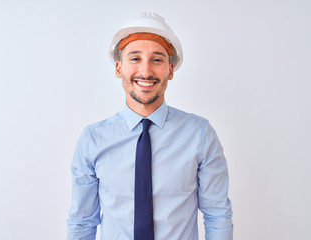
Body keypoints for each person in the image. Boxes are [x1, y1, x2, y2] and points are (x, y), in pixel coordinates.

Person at [67, 12, 233, 240]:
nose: (146, 71)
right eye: (135, 58)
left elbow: (217, 215)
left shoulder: (200, 135)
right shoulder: (93, 139)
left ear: (170, 70)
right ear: (119, 69)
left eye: (157, 60)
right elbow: (82, 222)